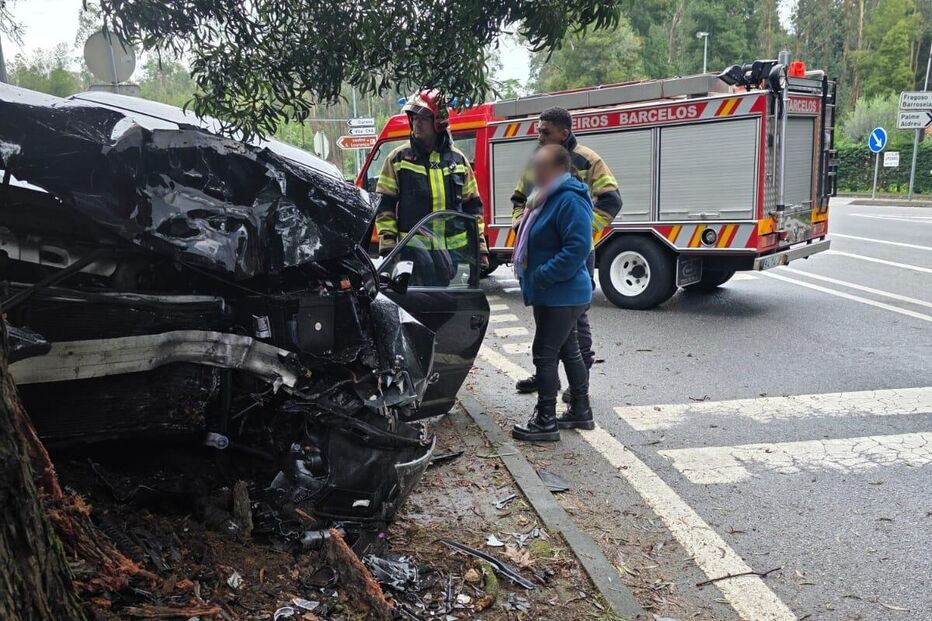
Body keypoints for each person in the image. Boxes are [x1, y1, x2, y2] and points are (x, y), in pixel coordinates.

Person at [511, 107, 622, 399]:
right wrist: (520, 227)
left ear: (565, 132)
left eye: (545, 131)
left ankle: (578, 386)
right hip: (542, 252)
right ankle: (546, 376)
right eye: (538, 130)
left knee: (576, 319)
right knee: (546, 316)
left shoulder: (587, 160)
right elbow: (519, 199)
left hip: (574, 254)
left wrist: (584, 233)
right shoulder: (538, 159)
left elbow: (611, 200)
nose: (539, 136)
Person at [511, 144, 594, 442]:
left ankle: (545, 420)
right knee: (568, 350)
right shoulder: (544, 198)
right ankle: (580, 410)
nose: (535, 172)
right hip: (558, 293)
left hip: (563, 293)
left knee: (544, 355)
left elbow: (577, 249)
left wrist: (543, 276)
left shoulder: (569, 200)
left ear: (559, 168)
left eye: (541, 167)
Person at [375, 89, 489, 282]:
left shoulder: (458, 160)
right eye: (414, 117)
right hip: (414, 256)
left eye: (423, 118)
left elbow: (473, 208)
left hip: (455, 255)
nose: (416, 123)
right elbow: (384, 207)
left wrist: (480, 248)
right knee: (416, 310)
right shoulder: (398, 159)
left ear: (439, 122)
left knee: (455, 310)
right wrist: (389, 249)